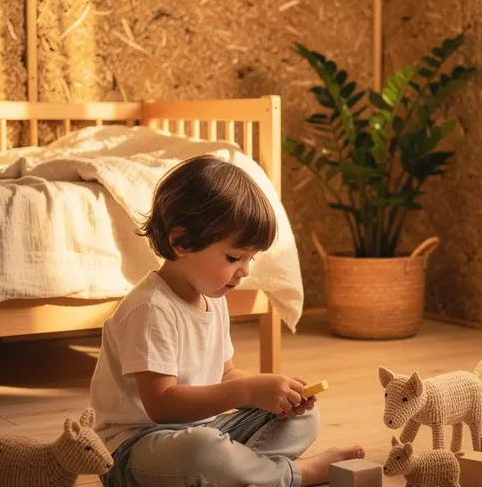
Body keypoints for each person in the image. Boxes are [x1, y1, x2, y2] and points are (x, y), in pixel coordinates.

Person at [89, 155, 364, 487]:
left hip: (204, 429)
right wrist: (244, 390)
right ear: (182, 242)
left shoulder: (212, 297)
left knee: (305, 417)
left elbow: (226, 373)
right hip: (135, 451)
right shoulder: (150, 309)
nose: (245, 270)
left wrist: (268, 392)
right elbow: (162, 405)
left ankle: (241, 475)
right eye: (234, 257)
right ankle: (292, 475)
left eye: (250, 258)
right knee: (202, 450)